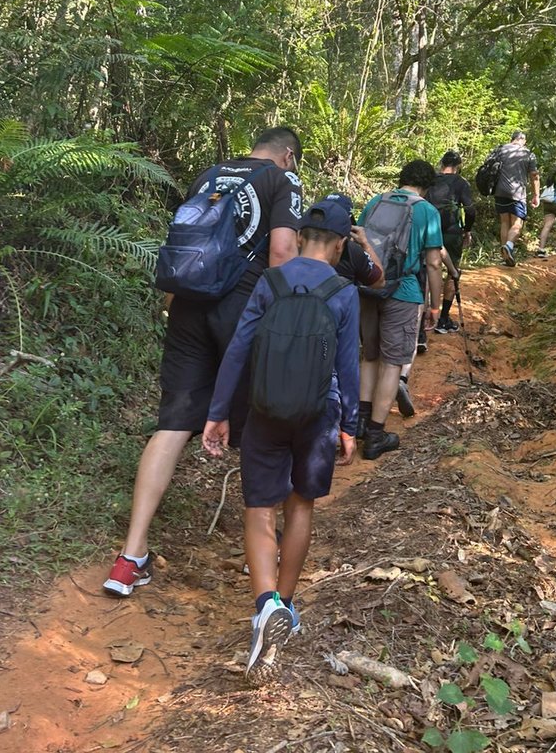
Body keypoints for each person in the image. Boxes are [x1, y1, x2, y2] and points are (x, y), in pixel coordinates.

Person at [103, 126, 304, 597]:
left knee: (173, 424)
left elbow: (185, 241)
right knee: (261, 425)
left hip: (189, 306)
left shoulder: (210, 175)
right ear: (288, 156)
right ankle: (265, 554)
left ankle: (130, 557)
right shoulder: (282, 180)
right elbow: (282, 251)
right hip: (245, 310)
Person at [201, 198, 359, 674]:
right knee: (300, 506)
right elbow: (347, 365)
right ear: (340, 245)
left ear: (302, 238)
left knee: (259, 507)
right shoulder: (344, 291)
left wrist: (218, 413)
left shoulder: (270, 281)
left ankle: (264, 604)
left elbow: (239, 348)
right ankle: (285, 607)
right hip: (319, 414)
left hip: (265, 409)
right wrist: (350, 425)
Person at [356, 160, 443, 459]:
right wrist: (435, 306)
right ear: (427, 185)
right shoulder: (426, 211)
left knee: (370, 356)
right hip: (403, 292)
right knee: (393, 363)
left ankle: (360, 422)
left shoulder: (376, 201)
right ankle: (376, 436)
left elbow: (360, 243)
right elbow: (433, 263)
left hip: (369, 287)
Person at [427, 150, 476, 335]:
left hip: (429, 230)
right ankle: (443, 319)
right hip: (451, 232)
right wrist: (467, 230)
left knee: (426, 269)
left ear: (442, 164)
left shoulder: (430, 180)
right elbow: (470, 210)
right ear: (458, 166)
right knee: (452, 271)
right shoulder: (461, 183)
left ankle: (425, 316)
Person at [489, 130, 539, 266]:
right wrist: (536, 195)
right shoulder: (528, 154)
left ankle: (505, 257)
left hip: (499, 192)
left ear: (512, 139)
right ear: (524, 141)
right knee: (517, 223)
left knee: (504, 222)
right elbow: (534, 176)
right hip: (518, 193)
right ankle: (509, 246)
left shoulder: (500, 150)